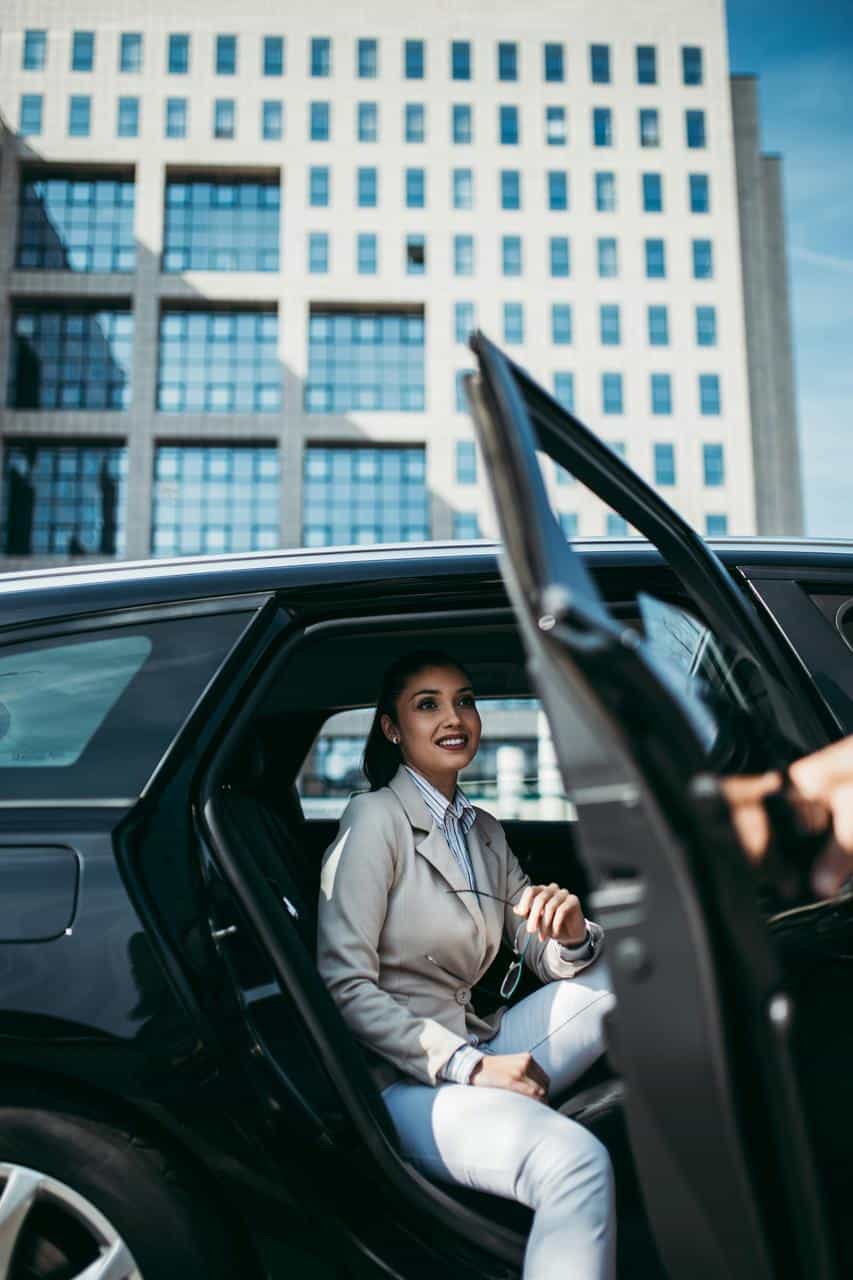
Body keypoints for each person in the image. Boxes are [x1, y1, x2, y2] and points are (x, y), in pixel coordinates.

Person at [317, 650, 616, 1280]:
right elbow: (344, 985)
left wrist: (569, 935)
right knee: (575, 1162)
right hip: (406, 1078)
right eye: (428, 704)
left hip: (477, 1034)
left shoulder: (482, 828)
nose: (455, 718)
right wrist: (471, 1067)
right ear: (391, 728)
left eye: (465, 700)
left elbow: (536, 946)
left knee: (631, 972)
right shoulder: (374, 819)